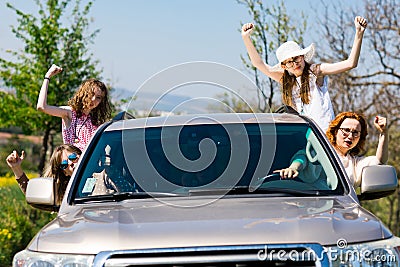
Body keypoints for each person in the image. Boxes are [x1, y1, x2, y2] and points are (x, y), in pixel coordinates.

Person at [241, 16, 368, 131]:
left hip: (324, 133)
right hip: (303, 134)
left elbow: (350, 63)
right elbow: (259, 64)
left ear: (302, 56)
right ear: (284, 66)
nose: (295, 64)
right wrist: (246, 38)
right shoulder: (286, 80)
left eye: (297, 58)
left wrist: (359, 34)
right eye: (290, 62)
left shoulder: (315, 71)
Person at [275, 112, 388, 189]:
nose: (350, 136)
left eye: (355, 133)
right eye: (346, 130)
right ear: (335, 131)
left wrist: (384, 132)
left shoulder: (355, 163)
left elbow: (379, 161)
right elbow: (302, 158)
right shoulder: (320, 152)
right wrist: (293, 168)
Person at [37, 64, 112, 151]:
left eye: (98, 97)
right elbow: (41, 107)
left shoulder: (96, 121)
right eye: (91, 94)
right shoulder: (70, 113)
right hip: (73, 163)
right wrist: (47, 76)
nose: (93, 99)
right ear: (83, 93)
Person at [6, 144, 82, 205]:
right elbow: (35, 194)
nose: (70, 163)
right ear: (65, 173)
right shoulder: (69, 194)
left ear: (81, 155)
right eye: (64, 164)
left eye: (72, 157)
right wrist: (16, 168)